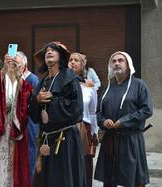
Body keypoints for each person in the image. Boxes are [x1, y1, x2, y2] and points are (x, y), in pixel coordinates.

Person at [29, 42, 86, 187]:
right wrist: (37, 100)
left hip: (66, 138)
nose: (49, 52)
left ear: (60, 56)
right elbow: (34, 115)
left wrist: (51, 101)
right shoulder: (42, 81)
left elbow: (77, 109)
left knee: (64, 178)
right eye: (47, 50)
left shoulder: (69, 77)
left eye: (53, 50)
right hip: (46, 137)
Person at [94, 51, 153, 187]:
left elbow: (146, 109)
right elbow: (98, 113)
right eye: (114, 61)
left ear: (128, 65)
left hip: (131, 140)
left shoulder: (139, 85)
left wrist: (124, 121)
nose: (117, 63)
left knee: (134, 180)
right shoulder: (107, 87)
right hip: (111, 140)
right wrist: (103, 121)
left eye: (121, 60)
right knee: (109, 180)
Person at [0, 51, 33, 187]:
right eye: (10, 61)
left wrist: (18, 75)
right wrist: (4, 70)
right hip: (0, 128)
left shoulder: (23, 82)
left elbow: (27, 95)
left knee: (16, 164)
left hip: (16, 128)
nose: (12, 64)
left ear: (23, 65)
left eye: (16, 62)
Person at [68, 52, 99, 187]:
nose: (72, 62)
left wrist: (94, 133)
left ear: (82, 65)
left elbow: (92, 113)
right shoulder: (62, 84)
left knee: (83, 164)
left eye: (76, 60)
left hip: (83, 129)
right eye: (70, 60)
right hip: (66, 127)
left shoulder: (89, 88)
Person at [18, 51, 40, 182]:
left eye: (18, 62)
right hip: (17, 122)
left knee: (29, 153)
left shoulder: (32, 79)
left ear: (25, 63)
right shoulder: (12, 77)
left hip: (30, 122)